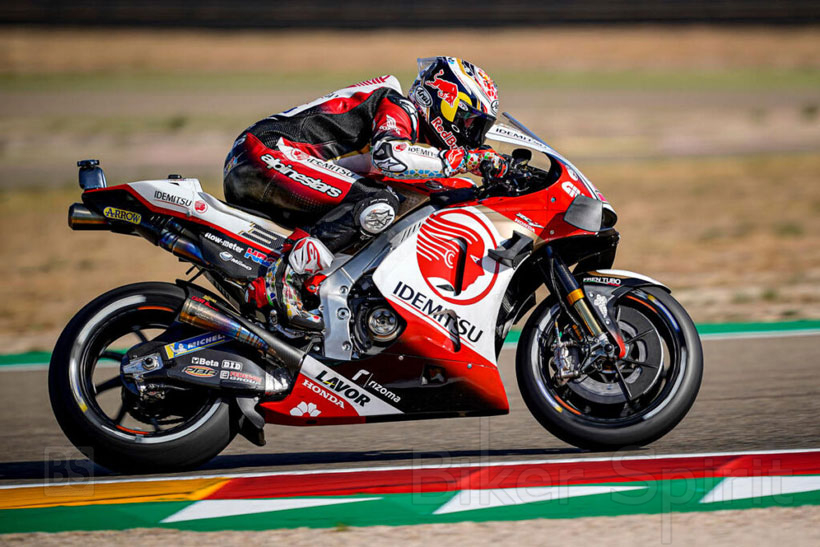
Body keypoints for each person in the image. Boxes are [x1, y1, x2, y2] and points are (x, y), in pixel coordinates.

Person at [223, 56, 509, 329]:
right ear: (443, 102)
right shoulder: (396, 104)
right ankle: (282, 278)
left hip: (274, 163)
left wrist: (495, 173)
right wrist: (464, 160)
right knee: (378, 203)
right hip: (266, 151)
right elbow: (390, 156)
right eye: (469, 122)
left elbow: (418, 176)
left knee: (387, 204)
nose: (472, 135)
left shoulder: (412, 134)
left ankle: (318, 289)